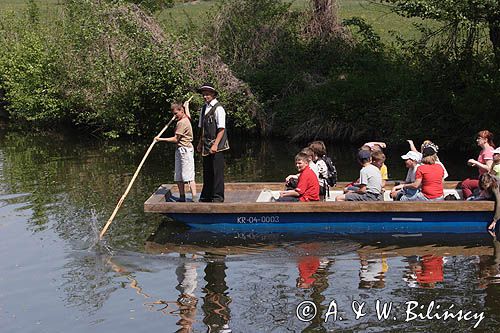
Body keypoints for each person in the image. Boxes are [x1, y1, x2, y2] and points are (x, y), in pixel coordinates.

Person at [155, 103, 196, 202]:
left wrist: (159, 139)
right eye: (173, 114)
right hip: (180, 150)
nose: (175, 116)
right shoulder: (185, 117)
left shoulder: (182, 123)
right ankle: (182, 197)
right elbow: (188, 115)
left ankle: (194, 198)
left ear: (181, 111)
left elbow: (175, 139)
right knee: (178, 176)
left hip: (186, 150)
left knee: (189, 176)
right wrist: (187, 107)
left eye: (176, 113)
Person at [196, 84, 229, 203]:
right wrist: (200, 143)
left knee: (217, 172)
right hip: (206, 145)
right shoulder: (204, 108)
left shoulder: (218, 108)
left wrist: (215, 144)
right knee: (207, 171)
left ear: (213, 94)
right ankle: (206, 196)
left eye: (207, 94)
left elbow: (221, 129)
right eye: (204, 94)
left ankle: (217, 197)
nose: (205, 96)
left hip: (217, 146)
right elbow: (202, 128)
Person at [460, 130, 495, 199]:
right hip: (481, 178)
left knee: (464, 184)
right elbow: (482, 164)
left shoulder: (488, 151)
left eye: (479, 138)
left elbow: (489, 168)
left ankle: (470, 203)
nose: (477, 140)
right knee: (466, 182)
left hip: (486, 180)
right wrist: (475, 164)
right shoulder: (483, 151)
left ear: (485, 140)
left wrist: (476, 162)